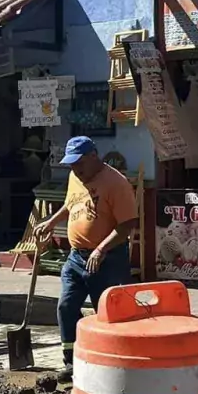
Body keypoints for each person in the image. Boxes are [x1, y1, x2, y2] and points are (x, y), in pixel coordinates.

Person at [32, 136, 139, 379]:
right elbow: (72, 204)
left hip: (108, 259)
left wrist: (101, 249)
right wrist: (51, 221)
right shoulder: (75, 176)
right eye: (71, 165)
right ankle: (71, 363)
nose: (75, 169)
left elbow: (127, 224)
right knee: (66, 306)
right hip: (76, 258)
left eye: (79, 163)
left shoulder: (116, 183)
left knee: (108, 314)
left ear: (93, 156)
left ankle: (112, 366)